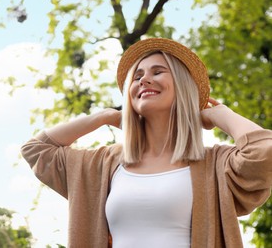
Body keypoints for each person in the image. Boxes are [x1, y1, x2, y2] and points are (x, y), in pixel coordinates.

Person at [20, 37, 272, 248]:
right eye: (137, 75)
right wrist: (102, 117)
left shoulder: (216, 164)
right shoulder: (103, 165)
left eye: (158, 71)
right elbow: (37, 150)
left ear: (183, 87)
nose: (144, 79)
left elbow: (264, 152)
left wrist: (221, 115)